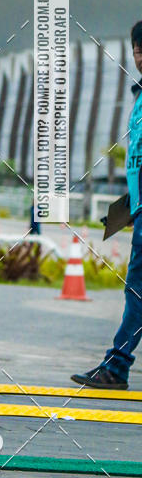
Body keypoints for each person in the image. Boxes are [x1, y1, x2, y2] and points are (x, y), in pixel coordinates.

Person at [71, 20, 142, 390]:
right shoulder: (139, 97)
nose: (141, 56)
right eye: (138, 49)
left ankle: (116, 367)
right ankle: (117, 365)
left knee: (138, 291)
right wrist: (129, 205)